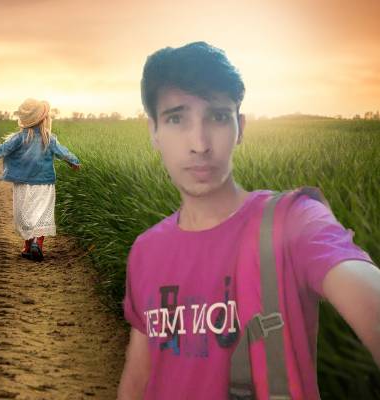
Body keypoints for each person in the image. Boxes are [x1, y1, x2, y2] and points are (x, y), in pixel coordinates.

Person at [117, 42, 380, 399]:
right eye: (176, 118)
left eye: (218, 117)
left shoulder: (293, 221)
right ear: (154, 132)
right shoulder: (146, 250)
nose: (200, 144)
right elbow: (139, 377)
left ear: (239, 128)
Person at [0, 98, 81, 261]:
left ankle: (28, 247)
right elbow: (62, 152)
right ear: (44, 119)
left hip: (23, 184)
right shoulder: (48, 138)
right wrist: (74, 161)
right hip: (44, 184)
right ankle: (37, 243)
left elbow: (2, 150)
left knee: (26, 214)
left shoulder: (19, 137)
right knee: (41, 213)